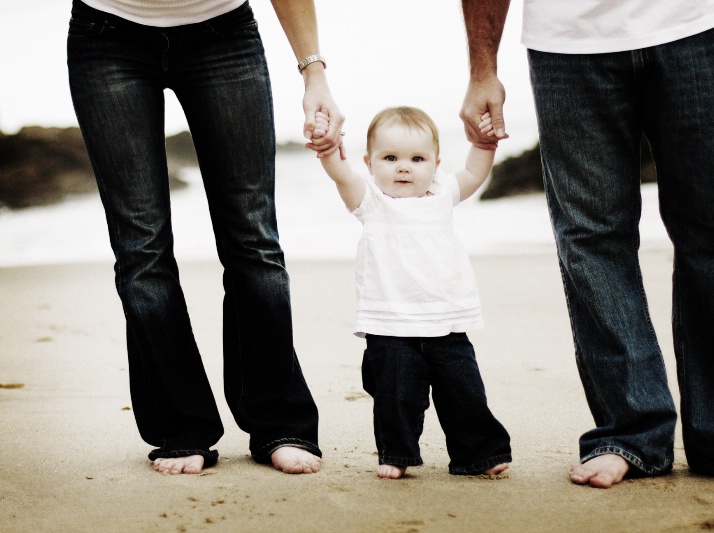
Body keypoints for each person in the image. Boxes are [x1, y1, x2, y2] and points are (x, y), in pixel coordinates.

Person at [459, 0, 714, 488]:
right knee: (591, 240)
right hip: (567, 41)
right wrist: (482, 69)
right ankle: (632, 433)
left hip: (696, 22)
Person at [67, 0, 344, 475]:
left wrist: (313, 71)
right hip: (105, 36)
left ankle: (279, 419)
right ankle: (180, 426)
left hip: (225, 33)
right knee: (141, 247)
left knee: (253, 238)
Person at [312, 106, 512, 479]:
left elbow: (473, 172)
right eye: (390, 158)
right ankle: (397, 453)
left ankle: (480, 454)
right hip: (389, 325)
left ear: (436, 164)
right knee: (395, 396)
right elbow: (341, 175)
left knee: (464, 393)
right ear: (369, 163)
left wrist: (484, 143)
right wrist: (328, 150)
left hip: (447, 321)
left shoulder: (441, 195)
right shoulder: (370, 200)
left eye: (417, 159)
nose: (404, 167)